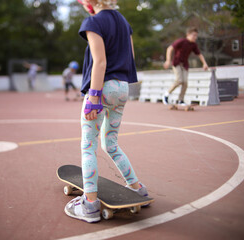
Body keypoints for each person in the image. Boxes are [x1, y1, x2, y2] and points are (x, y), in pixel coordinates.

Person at [64, 0, 150, 223]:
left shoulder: (93, 22)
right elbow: (130, 56)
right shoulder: (124, 22)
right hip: (122, 88)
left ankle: (90, 204)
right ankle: (137, 188)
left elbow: (99, 62)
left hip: (101, 89)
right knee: (110, 144)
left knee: (88, 146)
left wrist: (93, 97)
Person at [162, 27, 208, 106]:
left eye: (196, 36)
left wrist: (204, 63)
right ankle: (166, 94)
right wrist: (168, 60)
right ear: (188, 35)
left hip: (185, 65)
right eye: (193, 35)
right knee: (179, 80)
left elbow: (199, 54)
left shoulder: (193, 45)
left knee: (185, 83)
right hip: (177, 63)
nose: (195, 37)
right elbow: (170, 48)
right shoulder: (181, 41)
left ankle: (180, 100)